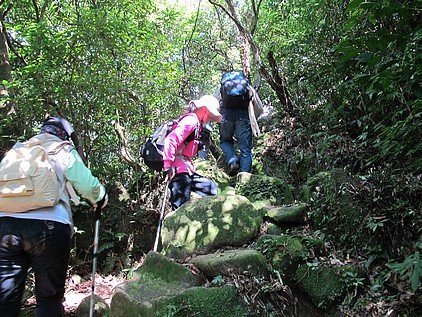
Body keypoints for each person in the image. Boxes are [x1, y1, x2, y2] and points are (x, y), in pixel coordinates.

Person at [0, 116, 108, 317]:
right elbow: (87, 186)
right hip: (48, 225)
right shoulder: (63, 149)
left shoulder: (17, 151)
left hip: (5, 225)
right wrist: (101, 198)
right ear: (64, 135)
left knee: (5, 297)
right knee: (49, 298)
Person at [163, 95, 222, 210]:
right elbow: (171, 139)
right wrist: (167, 166)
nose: (210, 118)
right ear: (204, 109)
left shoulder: (197, 124)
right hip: (178, 171)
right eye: (210, 115)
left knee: (211, 188)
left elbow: (186, 145)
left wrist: (197, 146)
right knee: (181, 208)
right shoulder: (190, 120)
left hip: (187, 170)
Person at [218, 71, 262, 176]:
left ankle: (233, 160)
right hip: (243, 117)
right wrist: (252, 119)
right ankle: (244, 178)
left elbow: (215, 103)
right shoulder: (248, 88)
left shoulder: (223, 87)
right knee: (245, 149)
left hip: (225, 116)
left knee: (225, 141)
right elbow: (259, 108)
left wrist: (218, 119)